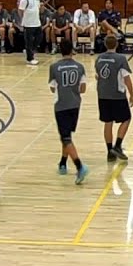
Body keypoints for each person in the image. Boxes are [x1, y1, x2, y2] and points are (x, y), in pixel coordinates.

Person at [49, 40, 90, 184]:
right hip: (75, 104)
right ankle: (62, 163)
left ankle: (80, 166)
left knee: (65, 138)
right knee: (67, 136)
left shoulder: (54, 67)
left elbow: (53, 88)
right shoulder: (80, 67)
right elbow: (83, 89)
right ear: (72, 50)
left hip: (61, 105)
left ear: (60, 50)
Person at [95, 34, 133, 162]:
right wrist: (132, 94)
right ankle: (117, 145)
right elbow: (126, 78)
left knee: (108, 122)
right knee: (126, 119)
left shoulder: (99, 58)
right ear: (116, 44)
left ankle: (109, 152)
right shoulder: (121, 59)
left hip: (102, 94)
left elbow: (97, 76)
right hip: (117, 95)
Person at [18, 0, 43, 65]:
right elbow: (20, 10)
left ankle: (31, 50)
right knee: (29, 41)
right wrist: (24, 19)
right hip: (28, 23)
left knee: (39, 37)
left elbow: (38, 8)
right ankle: (30, 58)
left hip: (37, 22)